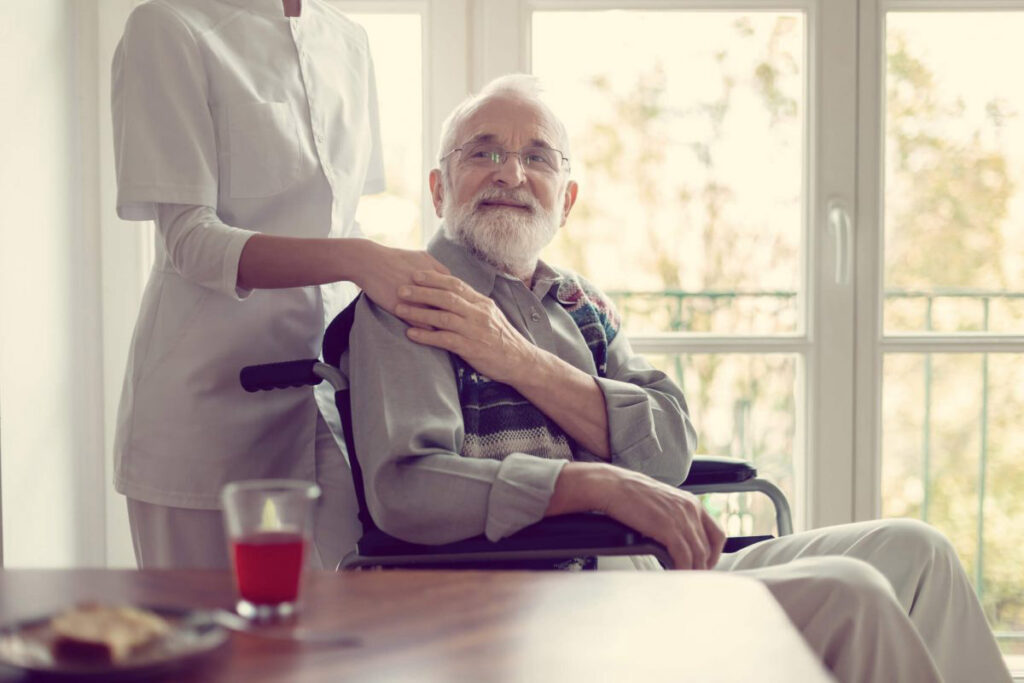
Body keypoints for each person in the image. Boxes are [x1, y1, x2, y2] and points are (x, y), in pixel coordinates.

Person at [346, 74, 1012, 682]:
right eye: (483, 152)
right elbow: (408, 489)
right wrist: (595, 483)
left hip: (650, 565)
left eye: (538, 157)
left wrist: (516, 359)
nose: (512, 174)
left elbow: (667, 448)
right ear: (439, 188)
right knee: (853, 594)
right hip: (547, 593)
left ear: (567, 199)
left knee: (919, 551)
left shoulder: (578, 302)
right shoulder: (410, 297)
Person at [110, 0, 447, 571]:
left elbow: (342, 224)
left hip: (327, 402)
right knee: (213, 649)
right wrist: (360, 259)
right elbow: (190, 240)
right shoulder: (167, 25)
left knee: (334, 640)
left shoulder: (349, 39)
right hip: (206, 413)